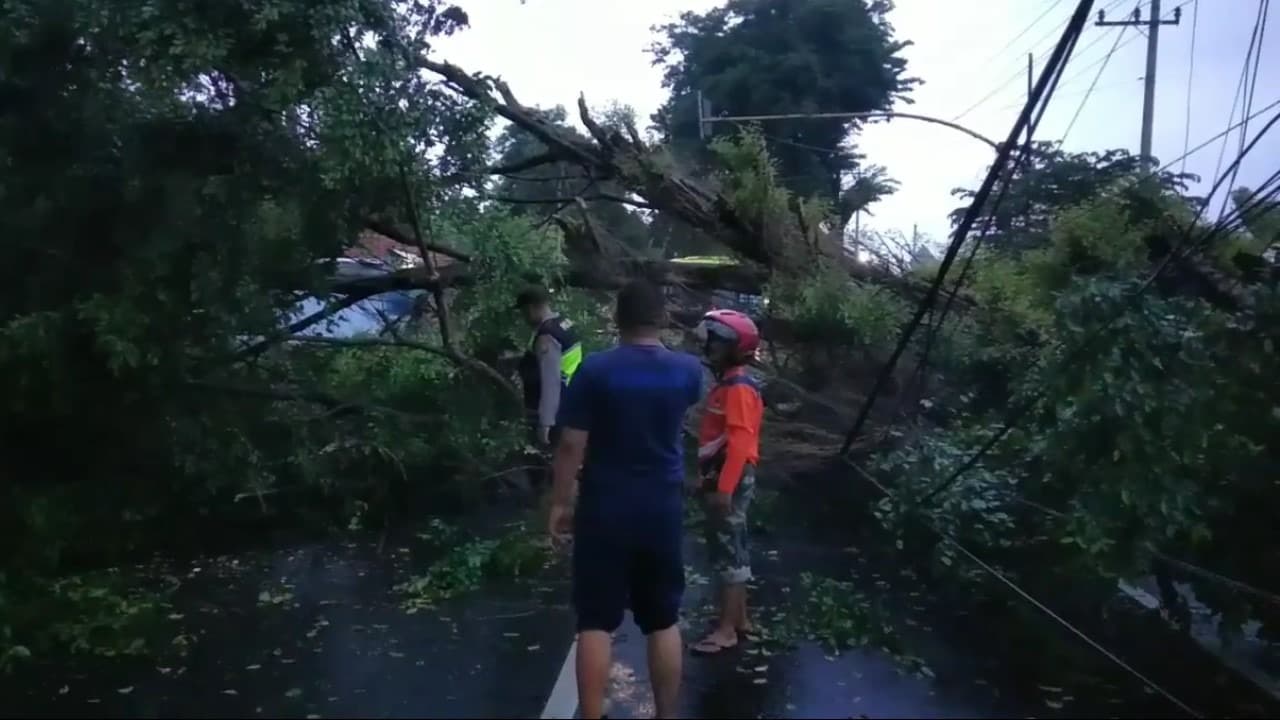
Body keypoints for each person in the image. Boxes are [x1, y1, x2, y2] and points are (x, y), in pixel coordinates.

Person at [547, 280, 704, 720]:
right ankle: (667, 714)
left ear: (618, 320)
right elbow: (684, 420)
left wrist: (560, 503)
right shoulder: (688, 371)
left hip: (604, 508)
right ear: (663, 318)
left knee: (595, 620)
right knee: (662, 618)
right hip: (662, 507)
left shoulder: (595, 371)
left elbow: (570, 445)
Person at [690, 309, 764, 656]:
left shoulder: (737, 388)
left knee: (727, 553)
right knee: (734, 544)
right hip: (722, 473)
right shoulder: (731, 384)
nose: (711, 349)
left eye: (718, 344)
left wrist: (724, 488)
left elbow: (740, 443)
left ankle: (726, 631)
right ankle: (741, 619)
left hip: (729, 476)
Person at [514, 286, 583, 449]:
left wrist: (546, 423)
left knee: (543, 464)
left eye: (523, 312)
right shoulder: (565, 323)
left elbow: (550, 380)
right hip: (569, 401)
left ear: (531, 308)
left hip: (554, 413)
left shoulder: (547, 336)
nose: (524, 318)